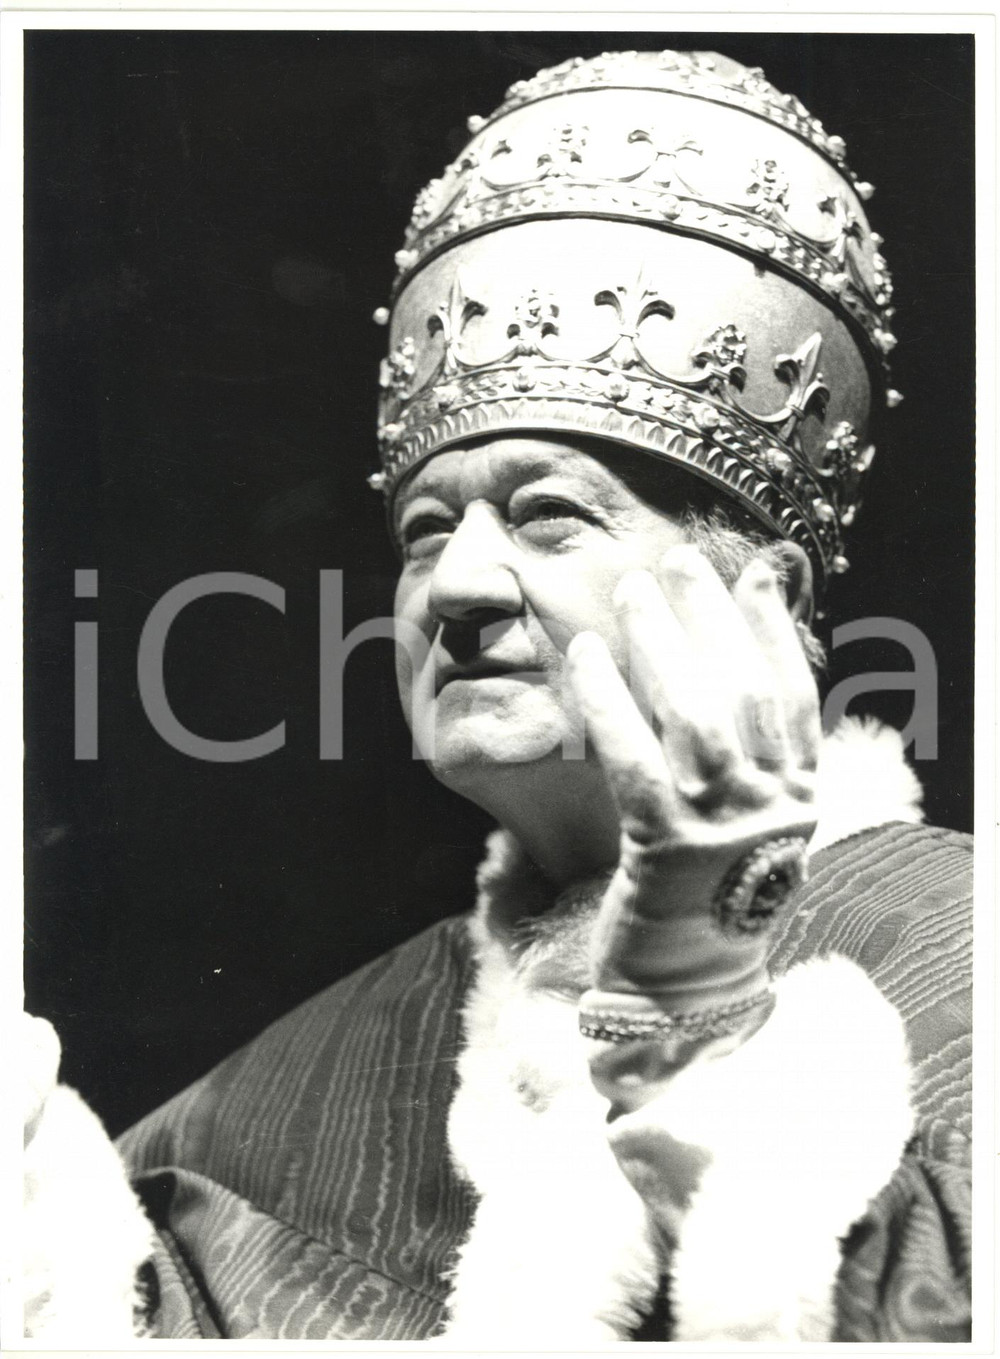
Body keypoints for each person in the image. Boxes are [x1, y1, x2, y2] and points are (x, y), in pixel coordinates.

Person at [23, 48, 971, 1343]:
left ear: (763, 587)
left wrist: (695, 1008)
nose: (456, 588)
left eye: (550, 516)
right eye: (424, 531)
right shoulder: (260, 1111)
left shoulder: (966, 950)